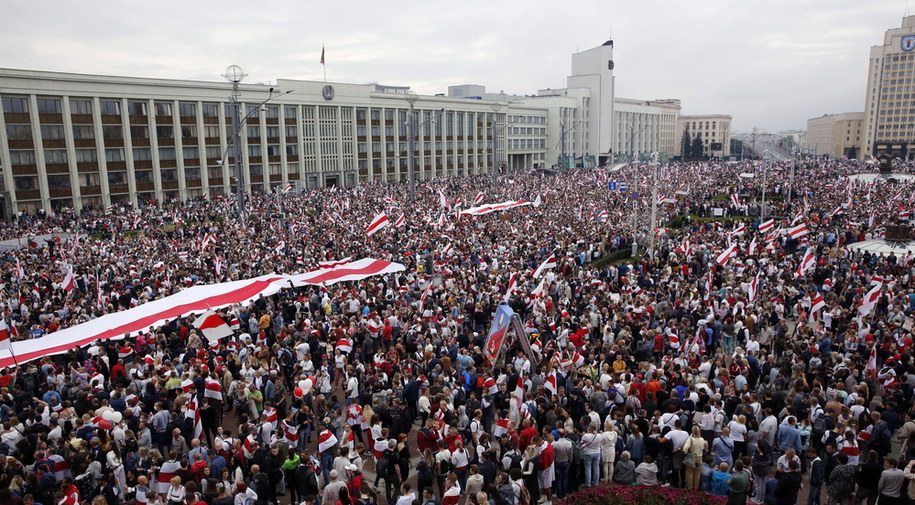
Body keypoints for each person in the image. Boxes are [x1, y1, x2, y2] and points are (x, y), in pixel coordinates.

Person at [683, 426, 707, 491]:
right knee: (697, 474)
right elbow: (704, 448)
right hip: (699, 457)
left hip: (691, 457)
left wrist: (687, 452)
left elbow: (685, 449)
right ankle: (695, 488)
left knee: (689, 473)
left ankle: (690, 488)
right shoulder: (702, 439)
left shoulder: (690, 439)